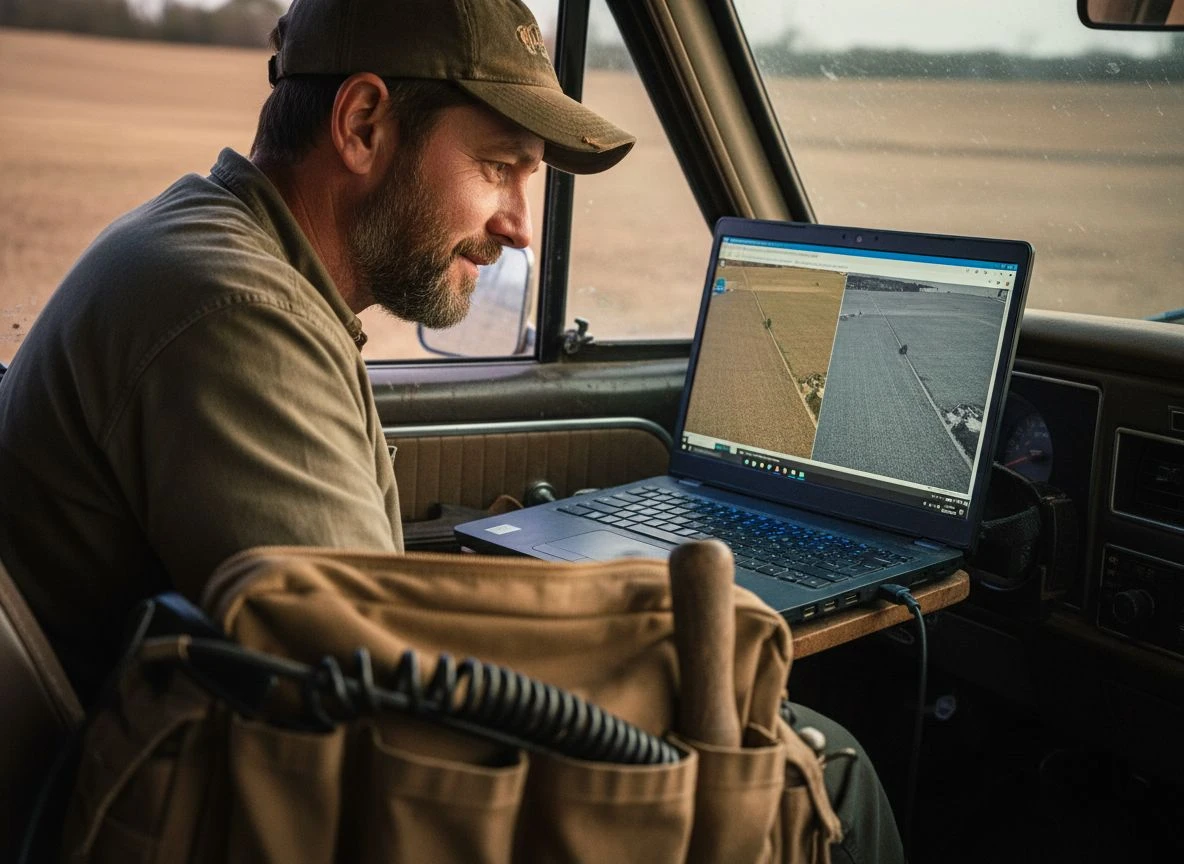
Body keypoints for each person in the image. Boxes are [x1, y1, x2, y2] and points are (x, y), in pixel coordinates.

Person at [0, 0, 903, 859]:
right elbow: (381, 707)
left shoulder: (223, 255)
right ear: (360, 125)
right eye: (499, 166)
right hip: (163, 806)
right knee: (825, 765)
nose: (518, 226)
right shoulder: (235, 312)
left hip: (168, 760)